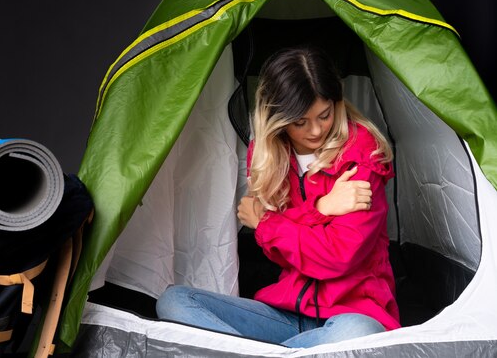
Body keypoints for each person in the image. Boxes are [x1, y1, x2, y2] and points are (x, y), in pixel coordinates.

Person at [155, 47, 400, 348]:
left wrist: (267, 224)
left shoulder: (361, 155)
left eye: (325, 115)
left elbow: (338, 258)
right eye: (300, 122)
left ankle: (264, 354)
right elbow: (277, 252)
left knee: (360, 336)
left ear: (337, 103)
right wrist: (322, 208)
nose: (316, 130)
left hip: (353, 316)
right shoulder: (268, 155)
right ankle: (291, 353)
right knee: (175, 301)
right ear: (277, 118)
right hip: (286, 315)